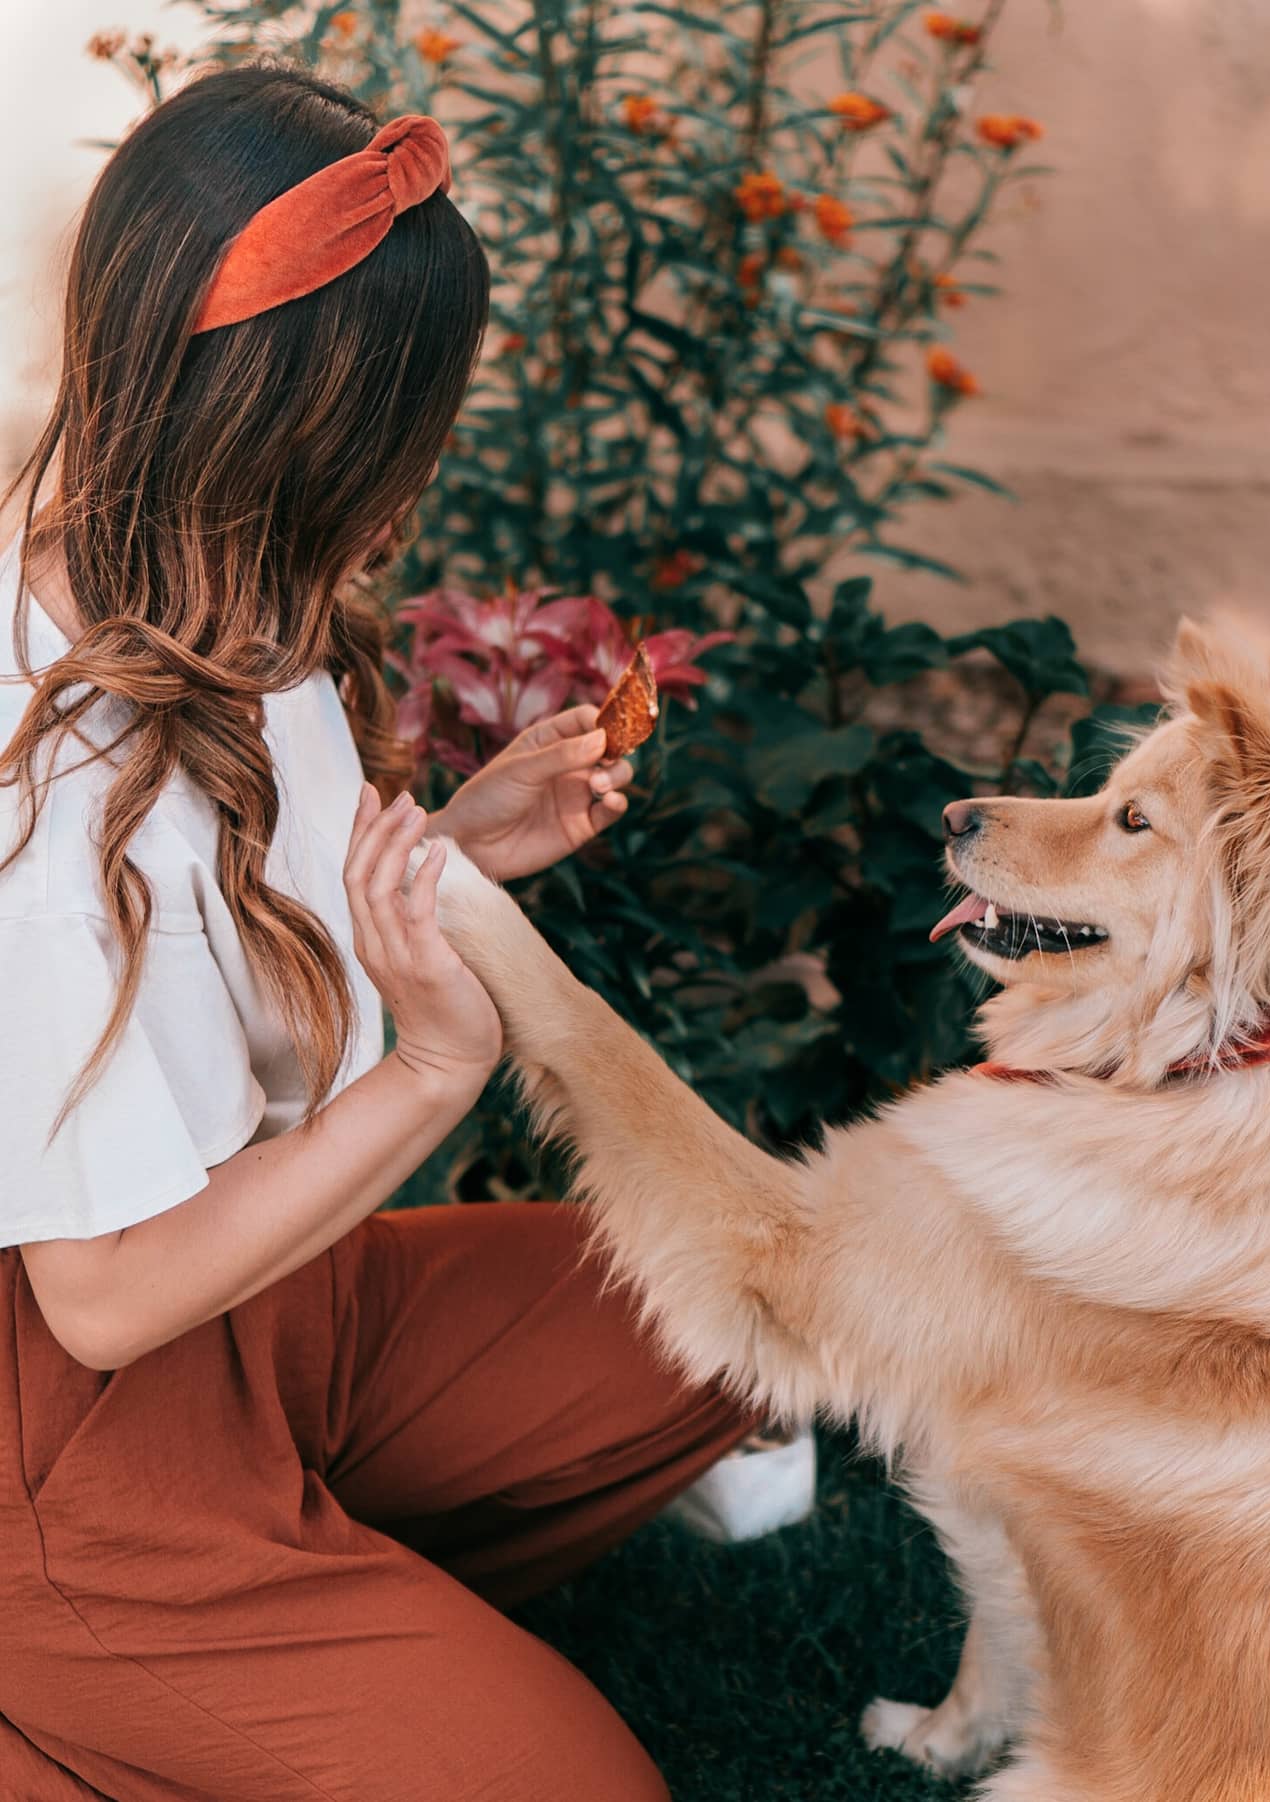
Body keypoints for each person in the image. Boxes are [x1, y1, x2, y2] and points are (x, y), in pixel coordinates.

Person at [0, 63, 749, 1801]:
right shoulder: (36, 801)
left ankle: (290, 1617)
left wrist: (458, 851)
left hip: (279, 1317)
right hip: (72, 1455)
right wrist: (429, 1073)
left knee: (733, 1298)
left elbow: (237, 964)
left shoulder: (230, 583)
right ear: (312, 431)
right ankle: (81, 1699)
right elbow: (103, 1299)